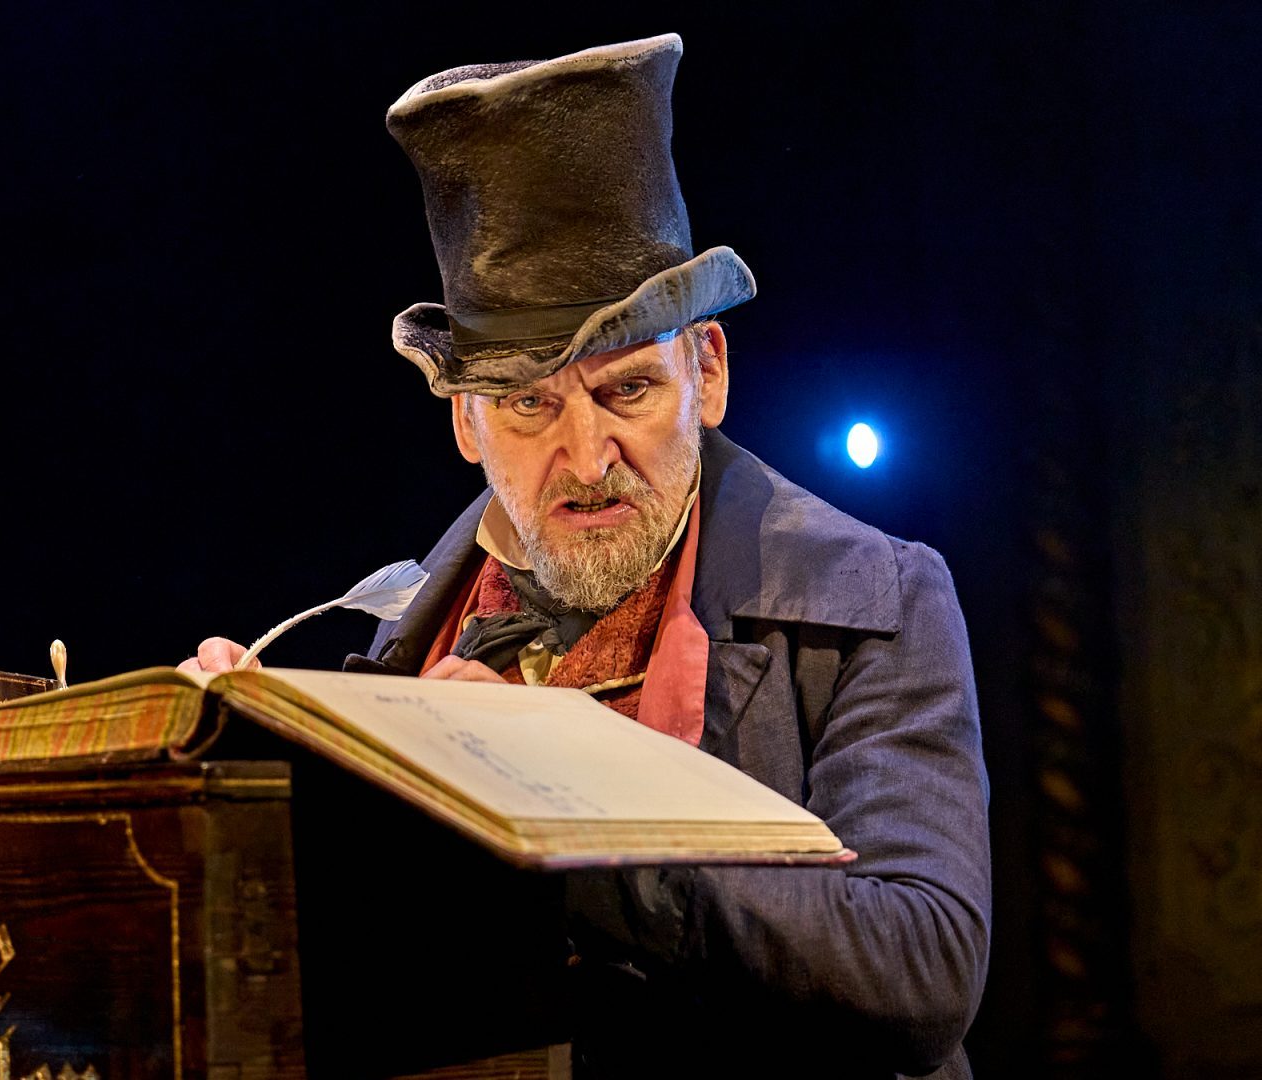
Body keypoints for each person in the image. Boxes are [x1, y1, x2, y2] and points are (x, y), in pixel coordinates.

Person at [182, 35, 990, 1079]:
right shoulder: (398, 655)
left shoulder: (871, 599)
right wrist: (239, 795)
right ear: (467, 423)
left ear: (708, 372)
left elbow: (920, 971)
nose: (586, 456)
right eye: (528, 405)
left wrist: (544, 804)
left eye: (628, 391)